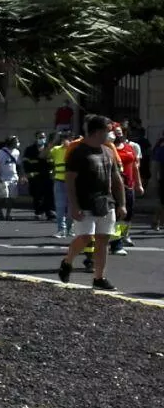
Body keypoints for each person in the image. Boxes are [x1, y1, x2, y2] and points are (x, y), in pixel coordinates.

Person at [58, 115, 126, 291]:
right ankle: (67, 262)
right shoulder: (78, 152)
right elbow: (70, 181)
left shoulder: (109, 151)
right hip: (84, 203)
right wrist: (73, 205)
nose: (110, 135)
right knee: (86, 238)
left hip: (106, 202)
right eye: (107, 131)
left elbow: (116, 179)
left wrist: (122, 204)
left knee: (103, 239)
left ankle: (99, 278)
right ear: (97, 132)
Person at [109, 122, 144, 255]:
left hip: (129, 186)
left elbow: (135, 167)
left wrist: (139, 184)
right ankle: (116, 244)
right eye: (116, 132)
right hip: (115, 187)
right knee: (118, 215)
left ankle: (122, 236)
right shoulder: (109, 148)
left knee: (128, 215)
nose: (119, 134)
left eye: (120, 132)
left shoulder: (129, 147)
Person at [22, 132, 54, 220]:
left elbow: (53, 161)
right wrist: (27, 174)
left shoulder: (50, 149)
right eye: (40, 137)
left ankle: (49, 212)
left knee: (49, 194)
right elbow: (25, 163)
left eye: (43, 137)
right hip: (35, 176)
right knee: (37, 195)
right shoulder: (30, 150)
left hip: (47, 175)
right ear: (36, 138)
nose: (42, 139)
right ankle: (38, 212)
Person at [0, 136, 24, 221]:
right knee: (4, 196)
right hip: (3, 178)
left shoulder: (17, 152)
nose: (18, 143)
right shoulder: (1, 152)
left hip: (13, 177)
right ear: (11, 142)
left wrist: (22, 176)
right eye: (16, 141)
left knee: (12, 197)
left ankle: (8, 214)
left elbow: (19, 165)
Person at [50, 131, 74, 238]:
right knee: (60, 207)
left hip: (72, 182)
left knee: (72, 207)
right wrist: (53, 142)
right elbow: (44, 155)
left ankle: (70, 229)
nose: (65, 140)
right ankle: (61, 229)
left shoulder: (75, 149)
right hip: (59, 181)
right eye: (63, 138)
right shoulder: (56, 149)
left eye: (68, 138)